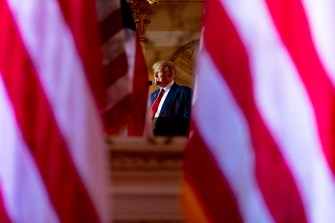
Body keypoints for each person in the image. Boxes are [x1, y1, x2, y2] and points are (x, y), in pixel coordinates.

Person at [150, 60, 192, 136]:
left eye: (158, 72)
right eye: (154, 73)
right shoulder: (152, 95)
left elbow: (187, 120)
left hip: (169, 139)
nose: (155, 76)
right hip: (149, 139)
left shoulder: (184, 92)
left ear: (170, 73)